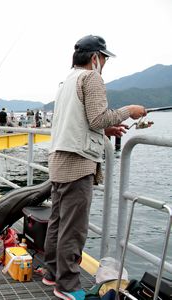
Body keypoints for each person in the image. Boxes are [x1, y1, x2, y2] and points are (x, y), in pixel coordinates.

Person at [43, 34, 146, 300]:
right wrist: (129, 110)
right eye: (104, 58)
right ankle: (66, 286)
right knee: (73, 227)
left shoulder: (66, 81)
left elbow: (83, 120)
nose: (105, 64)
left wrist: (106, 129)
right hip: (77, 162)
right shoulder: (92, 78)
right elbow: (98, 116)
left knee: (57, 221)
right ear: (94, 57)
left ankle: (52, 272)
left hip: (58, 159)